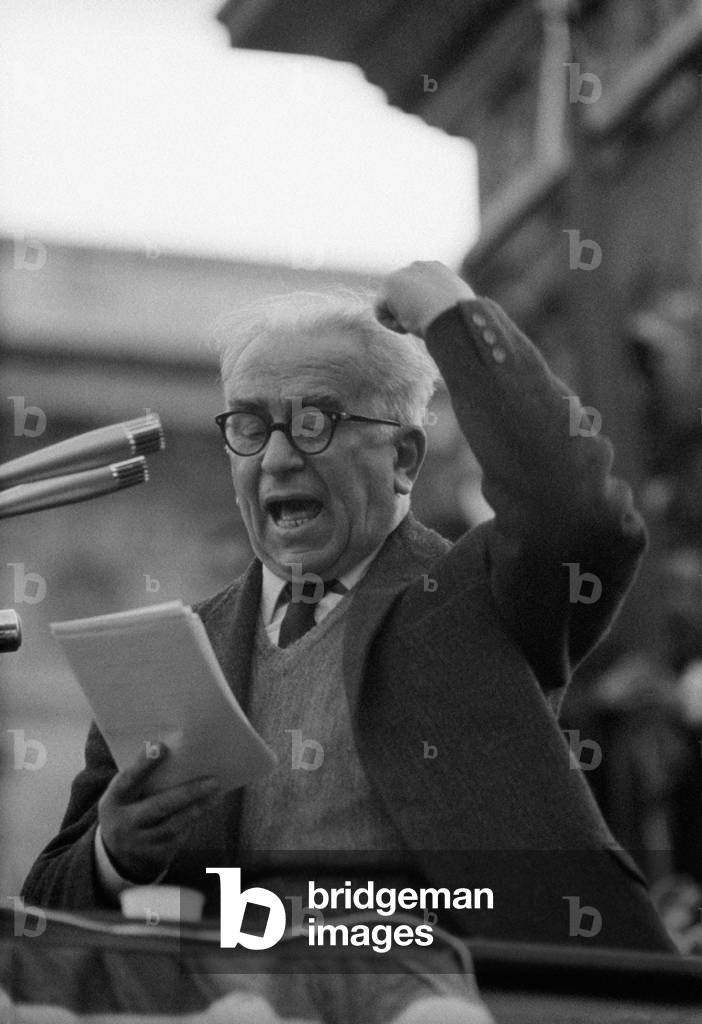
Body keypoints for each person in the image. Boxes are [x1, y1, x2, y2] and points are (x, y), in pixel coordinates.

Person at [21, 262, 674, 1016]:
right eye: (248, 425)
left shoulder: (477, 598)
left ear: (402, 458)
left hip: (461, 993)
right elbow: (45, 908)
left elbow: (579, 513)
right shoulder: (171, 655)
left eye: (315, 421)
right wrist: (112, 856)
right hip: (229, 993)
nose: (275, 457)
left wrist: (453, 317)